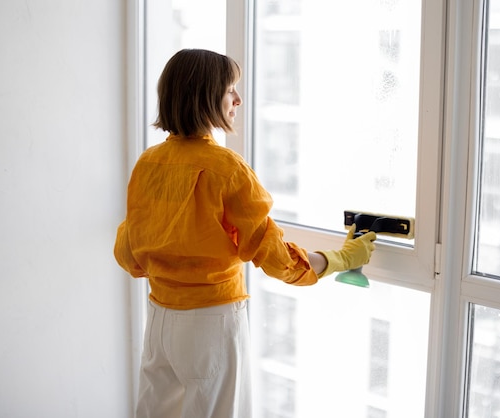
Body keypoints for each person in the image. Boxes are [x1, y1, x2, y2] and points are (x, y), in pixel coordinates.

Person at [114, 49, 377, 418]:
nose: (238, 99)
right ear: (203, 96)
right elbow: (272, 255)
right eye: (229, 88)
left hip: (158, 320)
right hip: (210, 324)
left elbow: (129, 253)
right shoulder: (226, 169)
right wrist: (339, 259)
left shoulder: (148, 163)